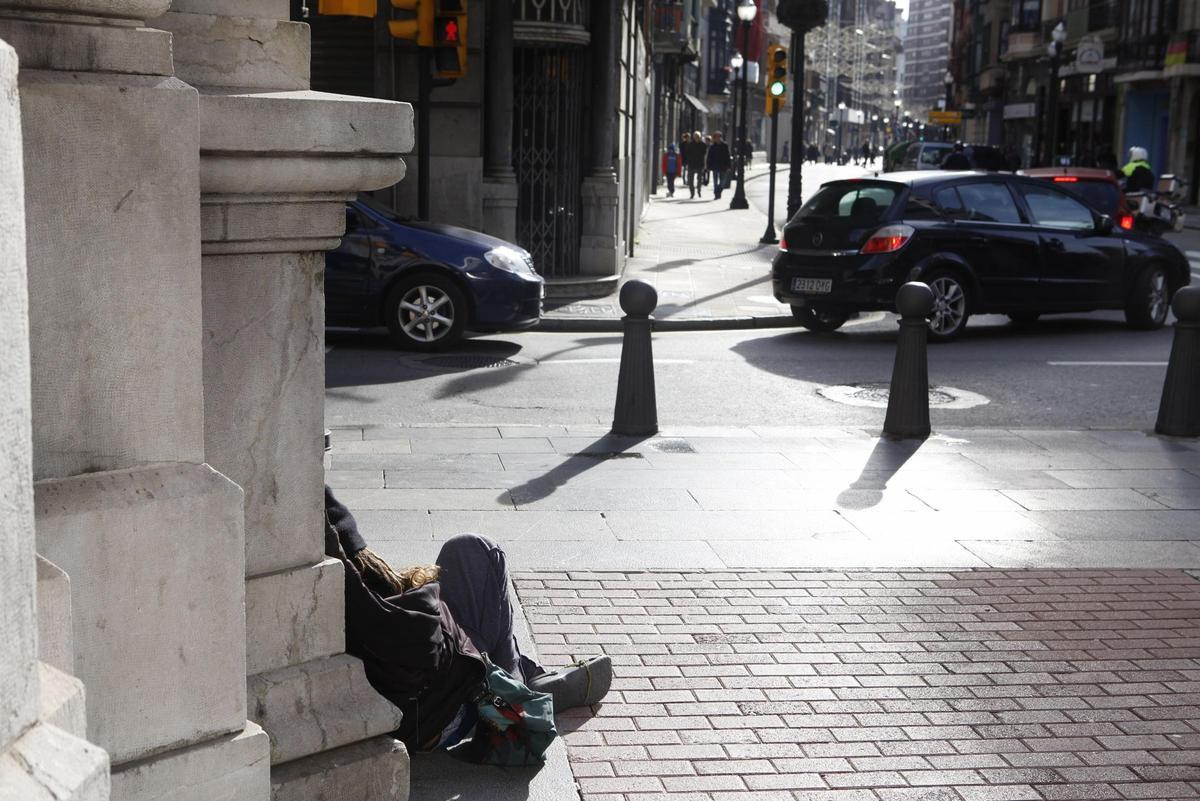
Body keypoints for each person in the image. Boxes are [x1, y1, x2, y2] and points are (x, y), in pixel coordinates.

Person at [325, 486, 613, 753]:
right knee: (474, 550)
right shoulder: (346, 585)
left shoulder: (340, 583)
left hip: (421, 698)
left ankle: (520, 677)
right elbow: (393, 634)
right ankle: (514, 694)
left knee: (465, 563)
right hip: (439, 712)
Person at [706, 131, 732, 199]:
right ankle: (716, 193)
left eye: (719, 137)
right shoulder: (712, 147)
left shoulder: (725, 145)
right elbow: (709, 157)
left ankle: (719, 190)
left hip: (723, 166)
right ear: (714, 138)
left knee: (723, 181)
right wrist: (708, 166)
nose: (718, 138)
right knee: (715, 180)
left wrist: (729, 166)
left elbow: (727, 156)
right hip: (715, 166)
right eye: (716, 137)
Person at [685, 130, 707, 198]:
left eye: (698, 137)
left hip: (700, 164)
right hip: (691, 164)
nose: (696, 138)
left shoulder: (703, 145)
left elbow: (704, 155)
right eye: (695, 137)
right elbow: (687, 154)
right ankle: (692, 193)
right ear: (694, 137)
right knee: (690, 180)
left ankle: (699, 191)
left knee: (700, 179)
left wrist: (704, 164)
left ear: (700, 137)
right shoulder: (690, 144)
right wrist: (687, 163)